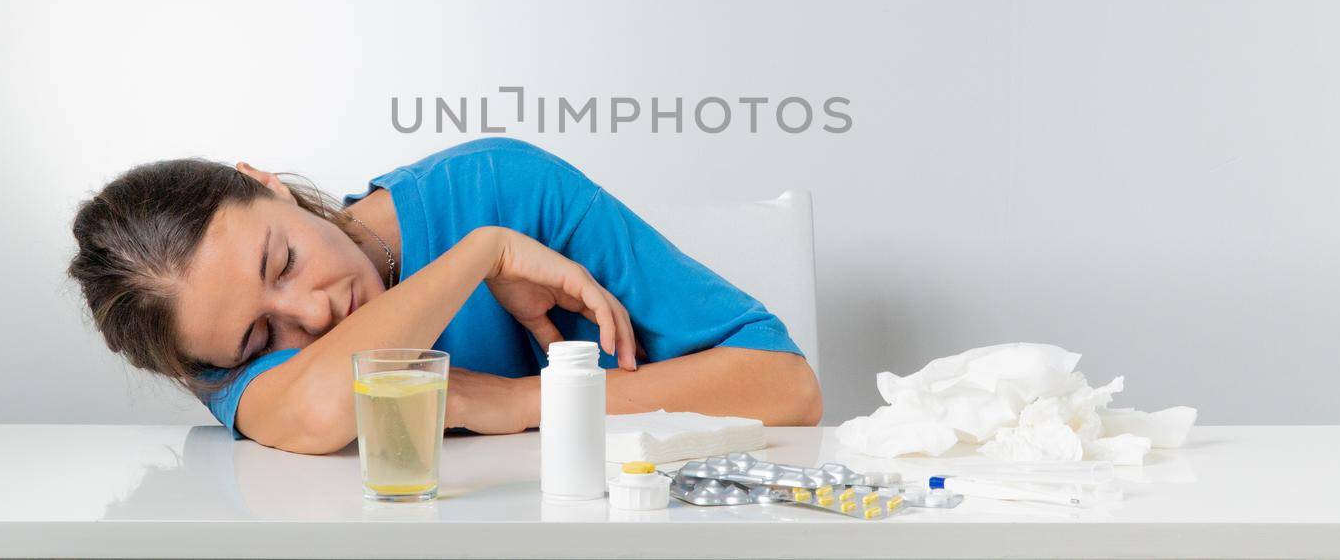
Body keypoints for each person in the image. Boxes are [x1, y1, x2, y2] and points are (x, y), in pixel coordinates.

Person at [67, 136, 822, 454]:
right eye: (263, 339)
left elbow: (786, 386)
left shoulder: (500, 187)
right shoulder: (217, 346)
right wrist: (481, 254)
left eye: (284, 261)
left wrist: (516, 404)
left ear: (269, 185)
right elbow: (325, 408)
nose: (313, 314)